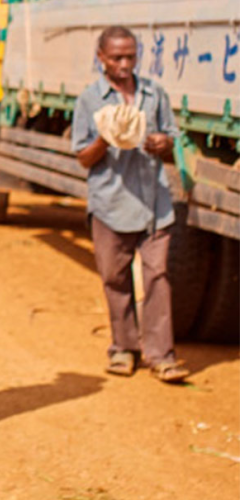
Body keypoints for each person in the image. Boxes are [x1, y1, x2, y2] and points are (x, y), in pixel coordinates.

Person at [71, 27, 189, 383]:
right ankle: (123, 348)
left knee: (157, 276)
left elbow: (172, 138)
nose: (124, 65)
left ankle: (161, 355)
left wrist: (161, 143)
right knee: (115, 278)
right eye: (117, 58)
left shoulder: (154, 94)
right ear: (101, 57)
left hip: (154, 203)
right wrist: (107, 139)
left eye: (131, 57)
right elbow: (83, 157)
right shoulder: (90, 99)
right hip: (110, 202)